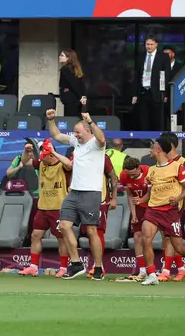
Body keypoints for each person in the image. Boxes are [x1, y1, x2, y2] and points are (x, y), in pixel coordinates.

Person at [46, 108, 106, 280]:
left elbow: (102, 138)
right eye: (75, 133)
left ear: (88, 131)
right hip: (74, 192)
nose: (75, 135)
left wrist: (90, 121)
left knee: (91, 231)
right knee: (64, 225)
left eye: (78, 133)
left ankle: (98, 268)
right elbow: (57, 136)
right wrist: (51, 120)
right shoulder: (76, 142)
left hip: (91, 192)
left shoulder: (96, 143)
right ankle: (76, 263)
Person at [141, 137, 185, 285]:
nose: (150, 151)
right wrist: (142, 200)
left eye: (152, 148)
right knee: (146, 238)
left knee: (179, 247)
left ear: (159, 150)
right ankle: (151, 275)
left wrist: (178, 198)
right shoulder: (151, 170)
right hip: (153, 210)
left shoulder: (177, 167)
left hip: (170, 212)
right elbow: (150, 192)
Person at [18, 139, 72, 277]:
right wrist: (26, 151)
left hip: (59, 208)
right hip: (43, 207)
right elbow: (25, 162)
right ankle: (33, 267)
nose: (41, 156)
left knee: (61, 239)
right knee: (35, 235)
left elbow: (69, 164)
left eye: (44, 153)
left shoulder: (62, 165)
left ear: (51, 154)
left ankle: (64, 268)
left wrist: (53, 151)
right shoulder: (41, 164)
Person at [156, 131, 185, 282]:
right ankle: (181, 269)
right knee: (166, 239)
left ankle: (166, 270)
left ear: (169, 146)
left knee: (171, 238)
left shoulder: (183, 162)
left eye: (160, 145)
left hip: (177, 206)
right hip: (161, 206)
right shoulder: (160, 162)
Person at [85, 153, 116, 280]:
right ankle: (94, 264)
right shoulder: (78, 154)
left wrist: (114, 198)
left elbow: (113, 177)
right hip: (84, 199)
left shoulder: (102, 157)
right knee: (89, 232)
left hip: (100, 199)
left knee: (97, 231)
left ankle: (99, 266)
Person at [119, 157, 149, 280]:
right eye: (128, 174)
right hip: (138, 208)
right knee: (137, 237)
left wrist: (142, 200)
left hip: (152, 207)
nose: (130, 177)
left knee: (150, 237)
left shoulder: (149, 171)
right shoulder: (124, 175)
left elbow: (153, 193)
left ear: (139, 168)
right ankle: (142, 270)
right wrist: (134, 215)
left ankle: (162, 269)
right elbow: (130, 195)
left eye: (133, 174)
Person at [132, 36, 171, 131]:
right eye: (147, 44)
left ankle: (157, 139)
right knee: (143, 118)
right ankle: (145, 140)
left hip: (157, 91)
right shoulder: (141, 56)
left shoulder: (163, 56)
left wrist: (165, 93)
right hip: (143, 91)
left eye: (151, 44)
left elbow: (167, 75)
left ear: (156, 44)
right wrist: (135, 94)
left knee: (157, 118)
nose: (149, 46)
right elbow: (137, 76)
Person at [58, 50, 86, 118]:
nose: (59, 57)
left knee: (70, 120)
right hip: (76, 99)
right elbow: (81, 84)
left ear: (68, 58)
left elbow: (73, 84)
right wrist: (83, 96)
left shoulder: (65, 69)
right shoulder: (76, 69)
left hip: (71, 99)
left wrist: (80, 97)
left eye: (62, 55)